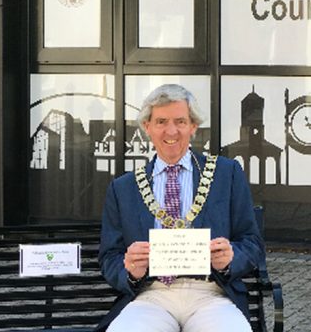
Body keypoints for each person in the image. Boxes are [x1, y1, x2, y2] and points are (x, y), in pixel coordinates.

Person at [96, 84, 264, 332]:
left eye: (180, 121)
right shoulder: (124, 188)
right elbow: (109, 257)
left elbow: (251, 243)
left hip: (211, 294)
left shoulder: (226, 173)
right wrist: (130, 270)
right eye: (161, 121)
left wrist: (230, 259)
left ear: (193, 126)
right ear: (147, 127)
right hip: (151, 296)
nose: (171, 131)